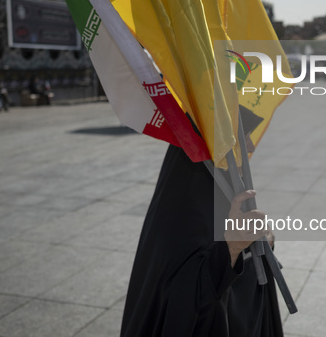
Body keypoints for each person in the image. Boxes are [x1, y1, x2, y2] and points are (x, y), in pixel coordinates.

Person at [120, 108, 283, 337]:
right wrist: (233, 247)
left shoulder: (223, 191)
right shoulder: (181, 209)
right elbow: (183, 298)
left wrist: (262, 242)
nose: (251, 147)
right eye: (243, 138)